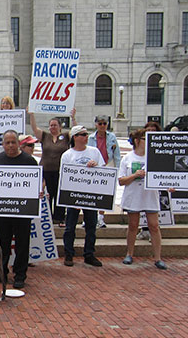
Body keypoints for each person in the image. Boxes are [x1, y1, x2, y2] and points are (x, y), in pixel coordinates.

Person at [0, 130, 40, 289]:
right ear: (3, 144)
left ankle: (20, 275)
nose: (11, 145)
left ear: (19, 143)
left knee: (22, 244)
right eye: (7, 142)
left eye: (13, 142)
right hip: (2, 211)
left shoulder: (29, 161)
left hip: (23, 211)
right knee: (3, 244)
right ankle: (0, 273)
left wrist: (38, 191)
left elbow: (37, 183)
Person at [119, 128, 168, 270]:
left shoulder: (154, 157)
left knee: (154, 225)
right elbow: (121, 180)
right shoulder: (128, 158)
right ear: (137, 141)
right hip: (133, 196)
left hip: (150, 196)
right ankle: (129, 253)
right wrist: (135, 175)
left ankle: (158, 257)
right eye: (146, 139)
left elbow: (163, 176)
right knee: (133, 225)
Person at [60, 126, 105, 268]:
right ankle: (68, 253)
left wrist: (96, 166)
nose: (86, 137)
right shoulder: (67, 155)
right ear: (75, 137)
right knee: (70, 227)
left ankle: (89, 254)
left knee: (91, 226)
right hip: (73, 196)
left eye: (86, 134)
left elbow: (104, 171)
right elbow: (64, 176)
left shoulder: (94, 152)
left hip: (90, 195)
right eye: (83, 134)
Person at [29, 107, 77, 227]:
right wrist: (31, 114)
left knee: (59, 195)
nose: (52, 127)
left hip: (60, 171)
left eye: (55, 125)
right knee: (47, 194)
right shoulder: (45, 136)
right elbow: (35, 129)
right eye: (51, 125)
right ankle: (48, 217)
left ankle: (59, 218)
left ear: (60, 126)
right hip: (46, 170)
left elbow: (76, 132)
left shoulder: (66, 136)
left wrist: (73, 118)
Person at [88, 115, 120, 229]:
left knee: (105, 193)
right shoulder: (91, 138)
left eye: (104, 124)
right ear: (96, 124)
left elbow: (117, 154)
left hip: (108, 164)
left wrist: (117, 170)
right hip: (94, 165)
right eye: (100, 123)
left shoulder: (112, 137)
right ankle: (90, 217)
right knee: (92, 191)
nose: (102, 126)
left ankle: (101, 218)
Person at [136, 121, 162, 241]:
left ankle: (154, 233)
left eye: (153, 131)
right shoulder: (135, 154)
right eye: (148, 131)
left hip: (156, 186)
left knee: (155, 213)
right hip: (140, 187)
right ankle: (144, 230)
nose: (151, 133)